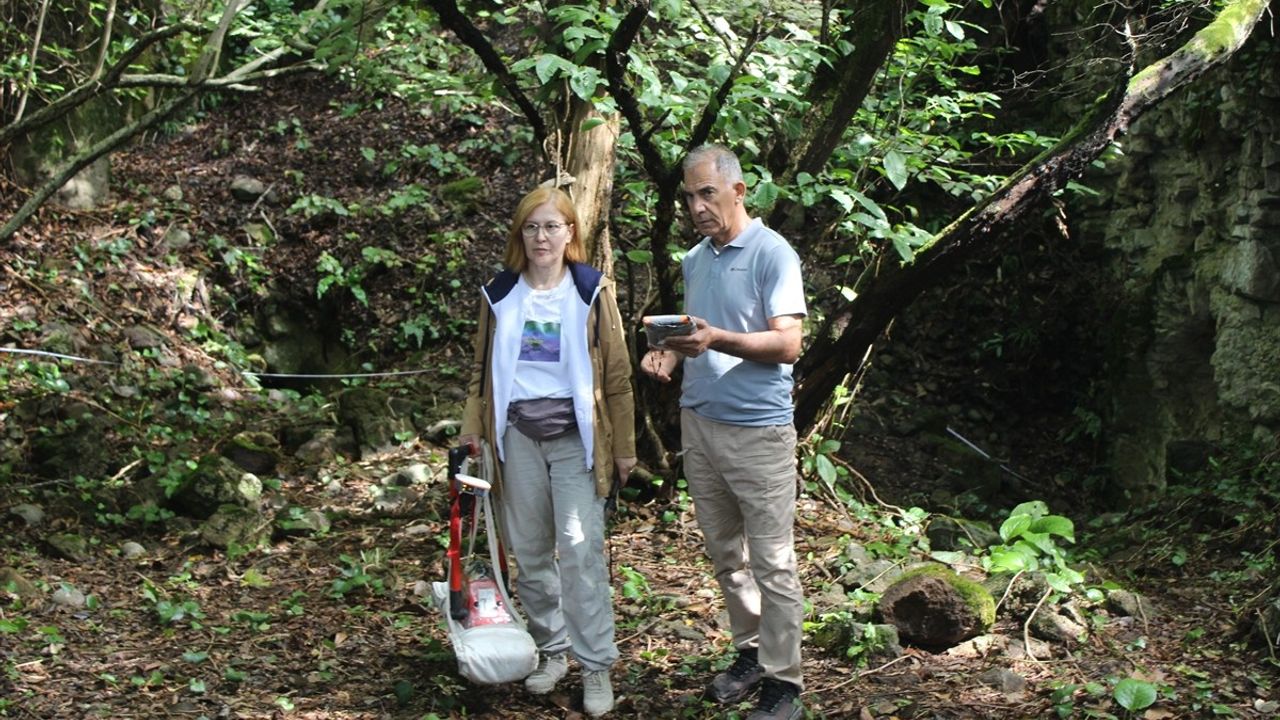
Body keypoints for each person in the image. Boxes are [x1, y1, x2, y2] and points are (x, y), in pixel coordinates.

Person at [640, 144, 807, 720]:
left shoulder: (772, 254)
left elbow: (788, 344)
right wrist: (670, 356)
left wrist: (716, 340)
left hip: (758, 431)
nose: (696, 206)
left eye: (707, 193)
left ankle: (784, 683)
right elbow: (696, 335)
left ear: (739, 191)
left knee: (773, 561)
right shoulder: (696, 260)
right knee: (725, 557)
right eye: (688, 195)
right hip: (700, 423)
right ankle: (751, 654)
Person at [460, 186, 636, 717]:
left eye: (552, 227)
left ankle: (597, 665)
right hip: (516, 437)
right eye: (532, 227)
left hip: (576, 440)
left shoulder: (590, 292)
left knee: (581, 551)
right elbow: (479, 376)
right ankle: (554, 650)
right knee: (531, 552)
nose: (542, 237)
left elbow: (618, 377)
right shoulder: (500, 294)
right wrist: (472, 435)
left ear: (571, 233)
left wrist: (624, 448)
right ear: (521, 234)